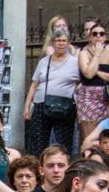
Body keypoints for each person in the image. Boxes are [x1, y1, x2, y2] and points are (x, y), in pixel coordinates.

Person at [27, 25, 81, 153]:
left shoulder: (75, 62)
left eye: (63, 41)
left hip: (65, 106)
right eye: (58, 41)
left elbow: (84, 81)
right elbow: (34, 84)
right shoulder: (44, 62)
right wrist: (27, 106)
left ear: (68, 43)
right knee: (39, 142)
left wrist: (76, 91)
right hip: (42, 104)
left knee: (64, 142)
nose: (61, 44)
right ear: (53, 43)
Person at [74, 22, 109, 136]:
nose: (98, 36)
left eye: (101, 34)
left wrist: (96, 71)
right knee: (89, 134)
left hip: (105, 95)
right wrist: (96, 55)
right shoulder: (83, 53)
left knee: (106, 133)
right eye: (95, 34)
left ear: (105, 37)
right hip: (88, 96)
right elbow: (88, 74)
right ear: (90, 37)